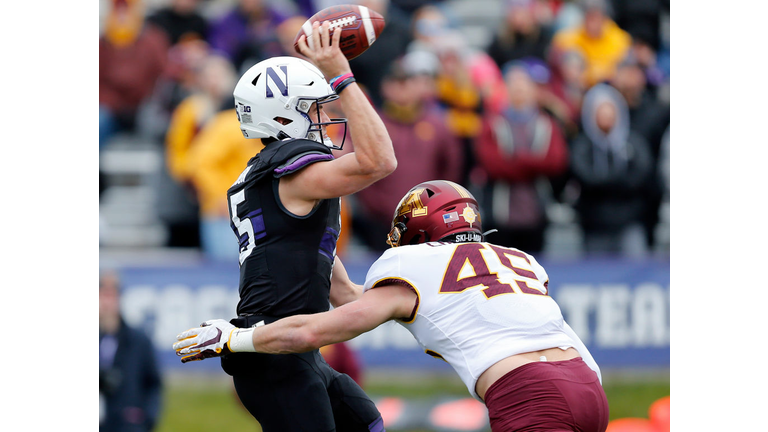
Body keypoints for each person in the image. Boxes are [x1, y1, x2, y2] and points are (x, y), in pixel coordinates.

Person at [175, 180, 609, 432]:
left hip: (529, 395)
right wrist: (312, 246)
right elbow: (356, 297)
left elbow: (315, 331)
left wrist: (236, 337)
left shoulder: (414, 264)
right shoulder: (519, 260)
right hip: (589, 387)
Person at [178, 21, 396, 432]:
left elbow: (347, 295)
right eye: (315, 108)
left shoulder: (283, 183)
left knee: (366, 423)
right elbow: (380, 160)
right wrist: (341, 74)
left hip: (297, 350)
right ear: (281, 116)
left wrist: (424, 299)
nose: (327, 118)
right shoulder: (295, 175)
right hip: (275, 352)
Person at [350, 57, 463, 253]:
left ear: (418, 86)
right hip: (382, 220)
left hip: (430, 219)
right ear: (385, 87)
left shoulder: (438, 125)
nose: (401, 89)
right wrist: (377, 207)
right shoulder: (374, 125)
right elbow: (361, 165)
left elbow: (452, 167)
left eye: (407, 83)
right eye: (395, 83)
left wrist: (439, 204)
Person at [473, 61, 569, 254]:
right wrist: (533, 164)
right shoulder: (492, 123)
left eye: (523, 86)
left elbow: (556, 162)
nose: (519, 92)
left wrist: (514, 160)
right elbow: (493, 165)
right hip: (500, 215)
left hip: (538, 213)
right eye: (514, 86)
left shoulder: (547, 124)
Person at [569, 83, 653, 257]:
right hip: (595, 225)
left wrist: (606, 181)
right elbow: (585, 177)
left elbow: (641, 176)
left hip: (629, 222)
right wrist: (619, 178)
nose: (606, 116)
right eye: (601, 111)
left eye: (610, 110)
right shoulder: (582, 145)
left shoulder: (633, 142)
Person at [100, 270, 163, 432]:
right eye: (102, 295)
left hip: (127, 424)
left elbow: (153, 384)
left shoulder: (139, 341)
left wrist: (146, 419)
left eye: (111, 295)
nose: (106, 302)